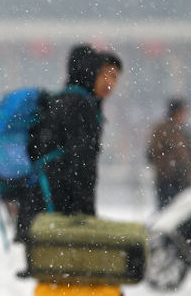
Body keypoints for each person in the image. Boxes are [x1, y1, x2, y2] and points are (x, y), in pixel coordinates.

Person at [29, 45, 122, 217]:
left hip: (41, 200)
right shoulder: (80, 104)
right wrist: (85, 211)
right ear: (90, 71)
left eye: (114, 77)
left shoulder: (63, 99)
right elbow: (81, 161)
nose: (109, 82)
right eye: (103, 74)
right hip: (57, 203)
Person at [147, 97, 191, 209]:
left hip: (175, 181)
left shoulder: (177, 131)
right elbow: (152, 154)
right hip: (170, 181)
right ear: (177, 112)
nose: (185, 115)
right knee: (170, 213)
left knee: (172, 213)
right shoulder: (168, 131)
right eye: (184, 111)